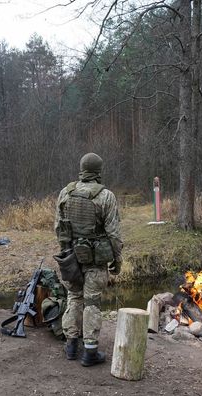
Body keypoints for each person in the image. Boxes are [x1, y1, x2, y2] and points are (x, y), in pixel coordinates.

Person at [54, 153, 123, 367]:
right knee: (91, 302)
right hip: (95, 260)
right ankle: (90, 352)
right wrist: (117, 260)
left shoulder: (66, 193)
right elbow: (114, 234)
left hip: (72, 258)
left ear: (82, 168)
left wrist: (66, 253)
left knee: (74, 297)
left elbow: (59, 228)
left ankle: (71, 346)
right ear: (99, 171)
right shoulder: (106, 197)